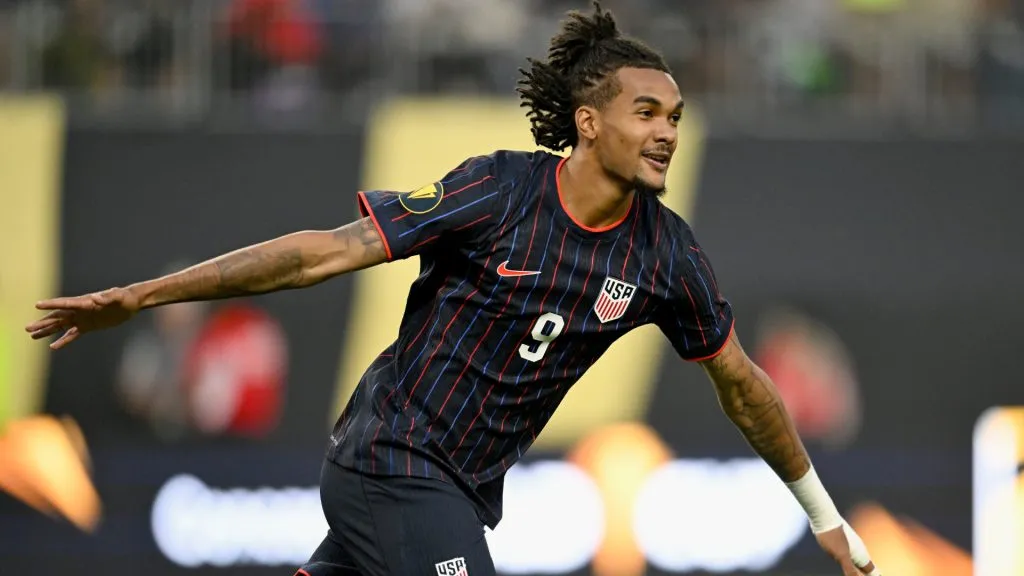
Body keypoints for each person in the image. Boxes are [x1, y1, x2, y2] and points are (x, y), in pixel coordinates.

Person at [25, 3, 881, 575]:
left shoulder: (666, 256)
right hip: (391, 459)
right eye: (647, 113)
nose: (666, 134)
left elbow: (744, 388)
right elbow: (322, 254)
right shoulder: (501, 190)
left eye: (676, 118)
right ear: (590, 123)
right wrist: (143, 295)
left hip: (462, 489)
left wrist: (822, 514)